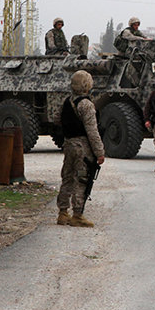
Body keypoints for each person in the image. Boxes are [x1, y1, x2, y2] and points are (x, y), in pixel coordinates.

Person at [57, 70, 105, 227]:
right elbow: (92, 131)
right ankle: (77, 215)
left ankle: (63, 213)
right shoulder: (86, 104)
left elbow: (58, 120)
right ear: (87, 85)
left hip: (69, 144)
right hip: (82, 146)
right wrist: (99, 152)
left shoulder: (66, 102)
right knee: (81, 179)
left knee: (67, 178)